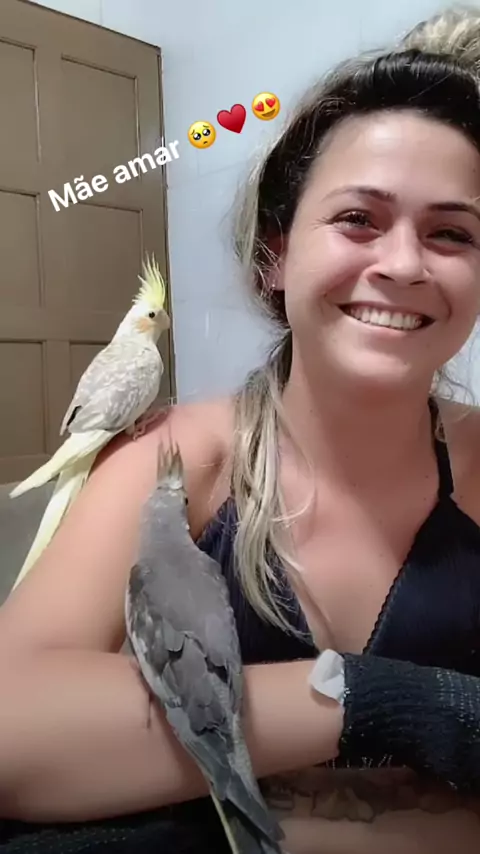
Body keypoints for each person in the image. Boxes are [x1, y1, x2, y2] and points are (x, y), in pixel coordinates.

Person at [3, 5, 480, 853]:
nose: (405, 264)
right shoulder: (172, 461)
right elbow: (15, 728)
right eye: (358, 219)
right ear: (275, 253)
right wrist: (380, 700)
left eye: (452, 233)